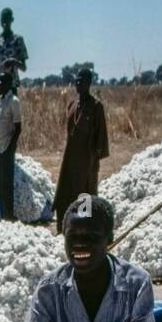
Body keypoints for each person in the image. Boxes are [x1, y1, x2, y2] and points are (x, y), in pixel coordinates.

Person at [14, 196, 154, 322]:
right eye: (72, 237)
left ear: (109, 238)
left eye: (91, 237)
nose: (80, 244)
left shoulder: (137, 285)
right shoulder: (51, 288)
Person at [53, 69, 109, 231]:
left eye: (82, 81)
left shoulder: (96, 106)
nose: (78, 84)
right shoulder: (72, 105)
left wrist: (94, 161)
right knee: (66, 191)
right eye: (76, 81)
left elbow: (101, 137)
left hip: (87, 159)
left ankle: (86, 228)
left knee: (86, 193)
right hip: (70, 158)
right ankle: (65, 226)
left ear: (89, 83)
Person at [0, 7, 27, 147]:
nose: (5, 21)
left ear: (12, 20)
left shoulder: (18, 40)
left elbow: (24, 67)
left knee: (10, 119)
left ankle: (10, 149)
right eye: (2, 18)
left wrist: (13, 61)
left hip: (10, 86)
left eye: (7, 18)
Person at [0, 67, 21, 221]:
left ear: (10, 84)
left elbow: (18, 127)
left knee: (7, 183)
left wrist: (11, 148)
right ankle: (4, 215)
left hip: (6, 147)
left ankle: (10, 215)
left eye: (3, 81)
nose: (0, 84)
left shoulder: (14, 102)